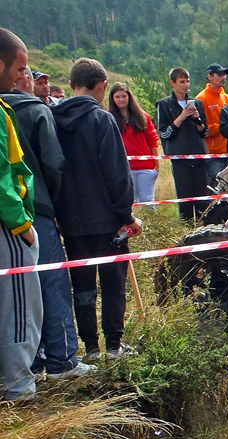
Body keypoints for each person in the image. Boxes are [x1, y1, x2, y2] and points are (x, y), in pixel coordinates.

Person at [5, 67, 94, 381]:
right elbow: (53, 163)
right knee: (51, 282)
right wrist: (52, 202)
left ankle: (28, 362)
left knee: (14, 290)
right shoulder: (36, 110)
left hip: (6, 213)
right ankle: (61, 359)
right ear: (23, 78)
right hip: (35, 207)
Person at [51, 57, 142, 362]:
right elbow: (117, 174)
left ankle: (90, 348)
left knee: (82, 286)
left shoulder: (52, 119)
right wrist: (127, 215)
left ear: (71, 84)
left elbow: (51, 170)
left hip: (70, 221)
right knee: (113, 283)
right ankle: (114, 347)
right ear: (102, 85)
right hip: (107, 221)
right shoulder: (102, 120)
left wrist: (58, 214)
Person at [0, 28, 42, 400]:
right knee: (17, 305)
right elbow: (3, 177)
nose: (21, 76)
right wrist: (22, 225)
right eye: (18, 68)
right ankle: (17, 386)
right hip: (8, 226)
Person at [156, 66, 209, 222]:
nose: (186, 85)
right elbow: (165, 133)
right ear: (172, 83)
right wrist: (181, 117)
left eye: (187, 81)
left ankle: (202, 227)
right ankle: (187, 229)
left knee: (202, 199)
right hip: (180, 159)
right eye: (182, 81)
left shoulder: (197, 103)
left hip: (199, 156)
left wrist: (197, 119)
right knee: (185, 200)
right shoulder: (164, 104)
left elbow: (204, 133)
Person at [108, 83, 159, 204]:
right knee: (129, 203)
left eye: (124, 96)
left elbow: (152, 140)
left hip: (146, 167)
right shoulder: (108, 117)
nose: (121, 99)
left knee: (147, 203)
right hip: (123, 168)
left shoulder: (142, 115)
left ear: (129, 97)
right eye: (117, 97)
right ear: (112, 99)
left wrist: (156, 166)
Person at [196, 63, 228, 187]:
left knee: (227, 187)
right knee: (213, 186)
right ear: (209, 76)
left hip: (227, 151)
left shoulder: (225, 97)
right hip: (212, 153)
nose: (223, 78)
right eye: (219, 75)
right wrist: (222, 127)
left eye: (224, 75)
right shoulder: (201, 98)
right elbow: (200, 129)